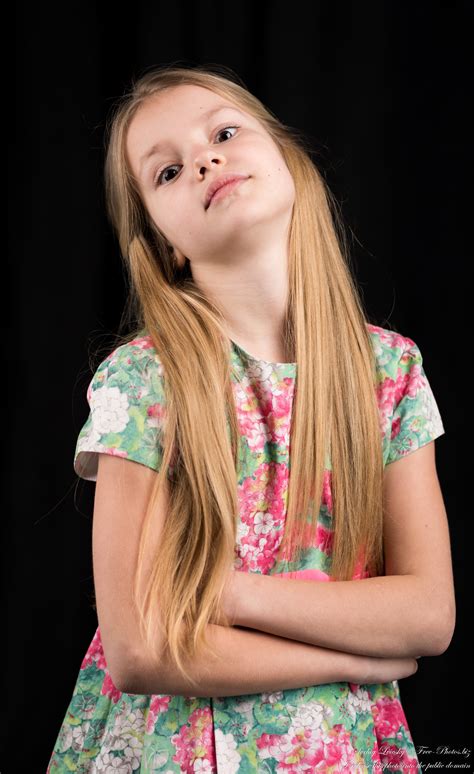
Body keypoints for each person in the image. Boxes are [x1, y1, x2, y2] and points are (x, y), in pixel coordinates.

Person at [47, 64, 454, 773]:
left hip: (344, 752)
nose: (204, 160)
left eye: (225, 133)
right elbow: (140, 648)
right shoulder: (147, 380)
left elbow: (427, 615)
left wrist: (224, 593)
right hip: (172, 752)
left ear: (286, 158)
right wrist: (362, 653)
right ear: (166, 242)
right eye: (167, 172)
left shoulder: (388, 373)